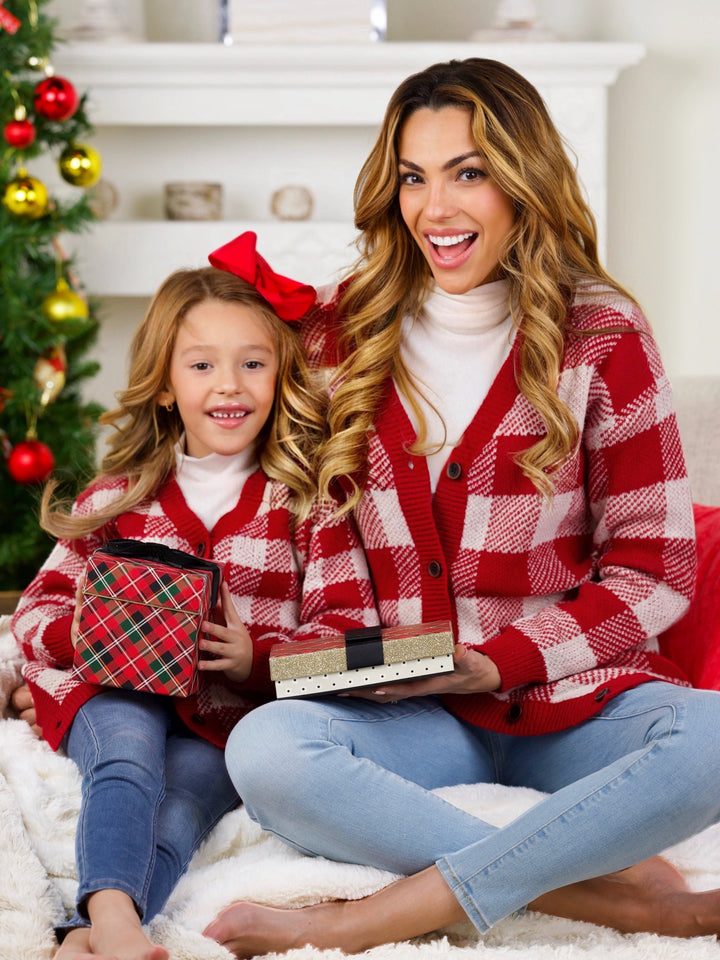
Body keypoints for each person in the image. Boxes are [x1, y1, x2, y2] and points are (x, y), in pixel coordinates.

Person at [202, 58, 720, 957]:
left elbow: (656, 564)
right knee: (266, 752)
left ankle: (377, 919)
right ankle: (623, 904)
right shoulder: (338, 336)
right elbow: (316, 545)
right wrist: (354, 659)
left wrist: (499, 661)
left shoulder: (602, 335)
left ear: (524, 181)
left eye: (467, 173)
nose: (435, 208)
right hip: (408, 718)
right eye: (414, 176)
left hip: (572, 703)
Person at [11, 231, 377, 960]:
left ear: (282, 375)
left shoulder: (307, 503)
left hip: (226, 722)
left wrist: (257, 661)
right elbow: (36, 611)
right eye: (202, 365)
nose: (229, 385)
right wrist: (85, 634)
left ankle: (87, 933)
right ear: (166, 383)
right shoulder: (119, 498)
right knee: (128, 749)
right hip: (114, 693)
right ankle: (116, 919)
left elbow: (352, 637)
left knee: (186, 797)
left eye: (253, 364)